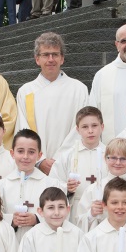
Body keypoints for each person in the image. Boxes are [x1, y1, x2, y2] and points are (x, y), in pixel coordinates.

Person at [15, 32, 90, 172]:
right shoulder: (25, 92)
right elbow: (23, 129)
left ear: (62, 58)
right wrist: (40, 160)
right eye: (45, 55)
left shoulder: (79, 89)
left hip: (69, 163)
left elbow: (81, 129)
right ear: (37, 59)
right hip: (36, 165)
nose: (51, 59)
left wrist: (60, 159)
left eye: (55, 54)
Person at [0, 129, 64, 242]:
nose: (25, 156)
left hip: (42, 242)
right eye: (20, 151)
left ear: (39, 155)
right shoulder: (1, 186)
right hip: (12, 242)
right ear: (12, 153)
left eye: (31, 152)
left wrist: (37, 218)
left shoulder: (51, 184)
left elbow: (61, 214)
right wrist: (11, 220)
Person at [52, 106, 106, 224]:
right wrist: (67, 188)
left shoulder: (110, 155)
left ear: (102, 127)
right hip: (76, 208)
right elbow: (53, 184)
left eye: (94, 126)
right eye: (85, 127)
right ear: (78, 130)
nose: (90, 131)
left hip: (103, 208)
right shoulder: (67, 156)